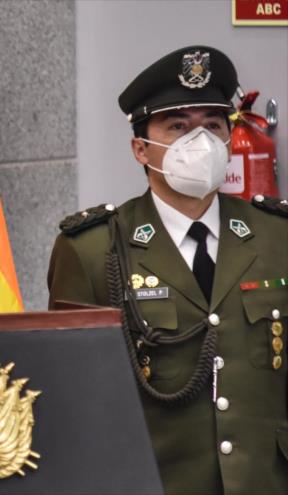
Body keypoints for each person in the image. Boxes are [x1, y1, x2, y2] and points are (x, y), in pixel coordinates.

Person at [47, 46, 288, 494]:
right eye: (178, 127)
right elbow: (74, 400)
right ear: (141, 148)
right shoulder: (93, 248)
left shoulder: (278, 236)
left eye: (213, 125)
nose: (200, 142)